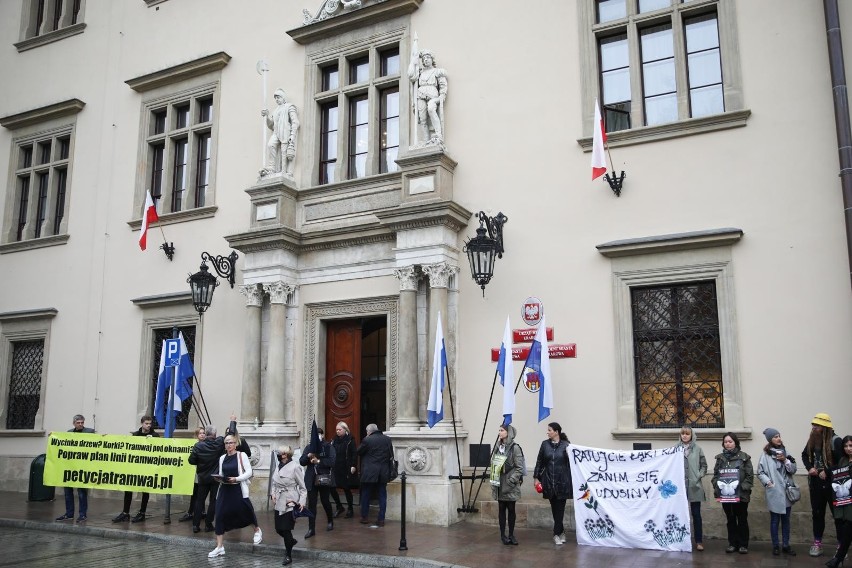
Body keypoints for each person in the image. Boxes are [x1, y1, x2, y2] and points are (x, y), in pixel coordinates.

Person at [207, 434, 262, 558]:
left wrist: (236, 479)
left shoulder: (241, 455)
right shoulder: (222, 458)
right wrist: (219, 478)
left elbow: (249, 472)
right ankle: (219, 547)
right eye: (226, 443)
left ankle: (257, 530)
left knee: (245, 510)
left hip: (238, 488)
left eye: (231, 442)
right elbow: (222, 473)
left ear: (236, 443)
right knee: (219, 515)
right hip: (224, 489)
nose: (228, 445)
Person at [188, 414, 238, 533]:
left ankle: (195, 525)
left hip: (203, 478)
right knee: (213, 502)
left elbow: (191, 461)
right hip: (215, 478)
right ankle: (208, 524)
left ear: (206, 433)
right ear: (215, 434)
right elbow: (230, 434)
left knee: (199, 501)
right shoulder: (219, 442)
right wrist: (232, 421)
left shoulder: (198, 446)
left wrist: (200, 463)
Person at [802, 412, 843, 557]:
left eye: (816, 425)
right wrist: (810, 468)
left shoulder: (836, 441)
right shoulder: (812, 440)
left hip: (833, 485)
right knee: (817, 514)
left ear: (824, 427)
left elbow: (841, 463)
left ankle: (841, 547)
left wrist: (827, 471)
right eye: (813, 425)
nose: (813, 428)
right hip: (816, 484)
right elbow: (804, 455)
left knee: (838, 516)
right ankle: (817, 543)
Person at [757, 427, 798, 556]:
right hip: (774, 491)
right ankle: (775, 545)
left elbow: (793, 470)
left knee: (786, 520)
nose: (778, 438)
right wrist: (768, 483)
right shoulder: (765, 455)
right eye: (775, 436)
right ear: (770, 439)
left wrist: (785, 460)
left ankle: (786, 545)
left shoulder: (786, 452)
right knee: (775, 521)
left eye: (779, 435)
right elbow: (760, 472)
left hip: (786, 492)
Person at [712, 432, 753, 554]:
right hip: (725, 495)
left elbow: (749, 477)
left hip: (741, 495)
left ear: (735, 442)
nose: (728, 444)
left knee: (742, 519)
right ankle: (732, 543)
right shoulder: (720, 458)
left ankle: (743, 545)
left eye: (730, 441)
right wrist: (717, 486)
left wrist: (740, 488)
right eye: (726, 442)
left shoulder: (744, 457)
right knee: (730, 519)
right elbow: (715, 475)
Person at [113, 415, 159, 523]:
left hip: (147, 468)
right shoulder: (135, 435)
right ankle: (125, 513)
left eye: (150, 424)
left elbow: (158, 451)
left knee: (145, 490)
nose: (148, 425)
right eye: (146, 423)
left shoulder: (154, 435)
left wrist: (152, 442)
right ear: (142, 423)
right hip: (134, 467)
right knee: (128, 489)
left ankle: (142, 513)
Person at [533, 421, 572, 546]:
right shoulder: (544, 445)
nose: (547, 432)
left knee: (560, 509)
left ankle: (556, 534)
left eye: (550, 430)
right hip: (549, 481)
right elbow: (539, 462)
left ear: (556, 432)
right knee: (555, 508)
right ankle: (560, 532)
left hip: (562, 482)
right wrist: (536, 477)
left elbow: (573, 464)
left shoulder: (566, 445)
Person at [271, 445, 308, 566]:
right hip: (279, 500)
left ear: (286, 455)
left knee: (286, 529)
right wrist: (273, 494)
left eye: (280, 452)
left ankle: (288, 555)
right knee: (278, 529)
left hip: (290, 500)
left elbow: (303, 488)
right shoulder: (278, 465)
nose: (278, 454)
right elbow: (274, 483)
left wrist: (301, 502)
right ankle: (291, 541)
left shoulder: (295, 467)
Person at [55, 414, 95, 522]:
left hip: (82, 468)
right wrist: (52, 436)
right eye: (78, 423)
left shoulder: (90, 432)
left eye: (82, 422)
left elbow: (98, 442)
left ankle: (82, 514)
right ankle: (69, 514)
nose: (81, 424)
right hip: (70, 467)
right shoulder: (69, 433)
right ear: (74, 423)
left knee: (82, 493)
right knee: (68, 492)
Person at [299, 427, 336, 538]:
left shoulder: (328, 446)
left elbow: (332, 461)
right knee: (312, 504)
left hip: (323, 478)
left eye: (319, 434)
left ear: (322, 435)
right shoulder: (309, 447)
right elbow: (301, 462)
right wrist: (308, 456)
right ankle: (311, 528)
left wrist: (319, 461)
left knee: (325, 501)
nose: (318, 436)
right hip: (311, 478)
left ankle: (330, 521)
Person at [407, 48, 447, 146]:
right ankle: (426, 139)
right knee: (422, 118)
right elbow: (410, 75)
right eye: (424, 58)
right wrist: (413, 62)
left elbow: (443, 85)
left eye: (428, 57)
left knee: (431, 109)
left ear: (432, 59)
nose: (426, 59)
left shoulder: (437, 71)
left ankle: (438, 135)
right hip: (420, 95)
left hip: (433, 95)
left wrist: (442, 96)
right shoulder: (419, 73)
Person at [491, 423, 523, 546]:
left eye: (502, 430)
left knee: (511, 508)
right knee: (501, 508)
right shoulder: (498, 446)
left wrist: (512, 480)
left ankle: (511, 534)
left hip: (510, 483)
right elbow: (493, 461)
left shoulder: (515, 448)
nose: (500, 432)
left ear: (508, 433)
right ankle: (502, 535)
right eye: (499, 430)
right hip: (499, 481)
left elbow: (519, 467)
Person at [357, 423, 394, 526]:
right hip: (383, 471)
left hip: (369, 472)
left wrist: (365, 439)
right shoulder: (387, 439)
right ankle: (381, 519)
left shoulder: (367, 440)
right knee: (382, 495)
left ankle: (364, 517)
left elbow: (359, 451)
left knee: (366, 494)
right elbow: (391, 454)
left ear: (369, 432)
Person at [679, 426, 707, 551]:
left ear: (691, 435)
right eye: (683, 434)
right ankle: (681, 540)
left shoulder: (698, 449)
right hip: (680, 486)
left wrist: (698, 475)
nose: (685, 436)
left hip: (694, 486)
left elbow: (704, 465)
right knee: (681, 514)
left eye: (687, 434)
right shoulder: (675, 448)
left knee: (696, 514)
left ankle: (699, 541)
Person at [826, 435, 852, 568]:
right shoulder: (842, 460)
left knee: (847, 531)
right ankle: (838, 558)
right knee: (847, 529)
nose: (848, 449)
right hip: (847, 502)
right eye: (846, 446)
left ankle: (838, 558)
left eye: (851, 446)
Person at [261, 88, 300, 178]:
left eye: (278, 97)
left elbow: (295, 122)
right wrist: (266, 116)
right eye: (276, 98)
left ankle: (284, 172)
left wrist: (292, 135)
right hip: (276, 132)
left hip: (285, 132)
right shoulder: (275, 111)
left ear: (283, 98)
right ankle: (272, 167)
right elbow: (271, 125)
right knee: (270, 145)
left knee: (284, 152)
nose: (277, 100)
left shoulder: (289, 107)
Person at [179, 427, 206, 522]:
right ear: (197, 435)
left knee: (201, 493)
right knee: (195, 493)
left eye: (204, 433)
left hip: (203, 473)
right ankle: (192, 511)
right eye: (200, 433)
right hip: (195, 473)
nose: (202, 435)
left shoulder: (207, 445)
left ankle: (200, 512)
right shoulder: (194, 445)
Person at [331, 421, 357, 519]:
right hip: (335, 467)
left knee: (346, 488)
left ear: (345, 430)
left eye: (339, 429)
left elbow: (354, 453)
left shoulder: (350, 439)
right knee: (332, 487)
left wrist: (353, 465)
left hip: (346, 467)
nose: (337, 431)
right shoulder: (334, 440)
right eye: (336, 430)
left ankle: (350, 508)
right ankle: (339, 506)